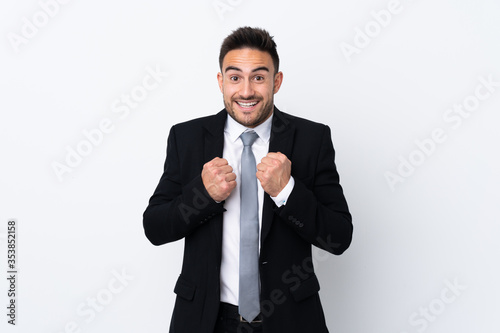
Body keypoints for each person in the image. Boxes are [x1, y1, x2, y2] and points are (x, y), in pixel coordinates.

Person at [143, 26, 353, 333]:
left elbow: (338, 237)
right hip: (207, 321)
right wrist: (202, 195)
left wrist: (287, 191)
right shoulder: (186, 138)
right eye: (235, 77)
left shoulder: (312, 139)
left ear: (276, 81)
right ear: (221, 82)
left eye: (258, 76)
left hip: (290, 321)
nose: (246, 91)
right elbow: (155, 228)